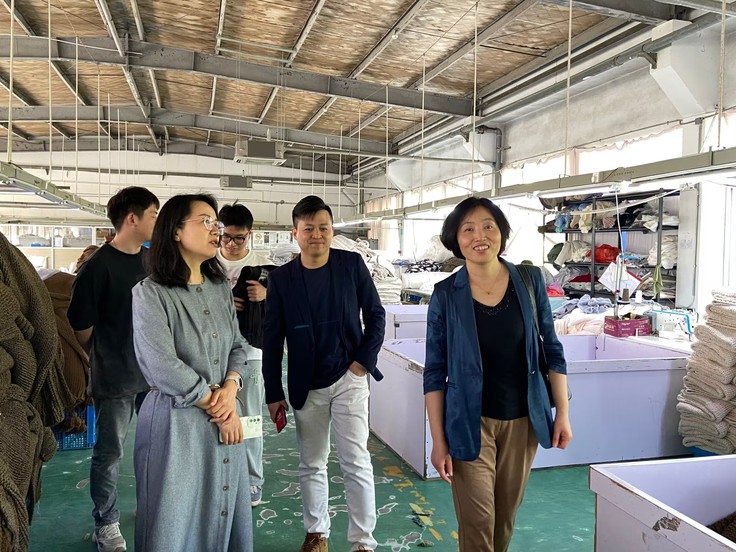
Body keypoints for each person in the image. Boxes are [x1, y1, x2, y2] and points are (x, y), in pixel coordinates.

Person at [423, 197, 573, 552]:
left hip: (523, 420)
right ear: (456, 239)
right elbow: (435, 372)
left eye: (488, 226)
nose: (480, 236)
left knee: (503, 520)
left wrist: (563, 413)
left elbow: (551, 348)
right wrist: (438, 441)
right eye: (468, 229)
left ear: (502, 233)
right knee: (478, 522)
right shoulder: (445, 295)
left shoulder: (529, 280)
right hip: (469, 422)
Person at [262, 195, 385, 552]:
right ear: (295, 233)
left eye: (323, 228)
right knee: (312, 462)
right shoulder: (282, 280)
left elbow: (375, 314)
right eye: (308, 229)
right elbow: (273, 338)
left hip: (349, 378)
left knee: (356, 460)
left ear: (332, 231)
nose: (316, 235)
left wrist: (362, 362)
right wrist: (273, 392)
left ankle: (363, 542)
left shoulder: (351, 265)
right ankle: (317, 534)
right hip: (307, 383)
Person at [131, 194, 253, 552]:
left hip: (226, 416)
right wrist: (222, 410)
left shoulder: (219, 288)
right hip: (177, 423)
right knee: (175, 519)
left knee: (224, 509)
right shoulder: (150, 294)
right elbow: (161, 364)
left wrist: (231, 388)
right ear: (175, 231)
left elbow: (238, 346)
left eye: (217, 222)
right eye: (206, 221)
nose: (216, 230)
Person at [67, 186, 159, 552]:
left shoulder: (150, 261)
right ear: (132, 218)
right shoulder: (98, 266)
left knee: (153, 447)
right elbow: (81, 325)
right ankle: (105, 522)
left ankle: (149, 506)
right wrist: (105, 352)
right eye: (153, 215)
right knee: (110, 453)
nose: (157, 221)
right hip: (115, 376)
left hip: (151, 376)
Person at [216, 202, 274, 507]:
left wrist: (268, 294)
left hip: (251, 353)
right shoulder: (206, 262)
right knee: (214, 417)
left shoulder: (264, 266)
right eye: (226, 236)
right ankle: (218, 478)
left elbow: (289, 306)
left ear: (250, 234)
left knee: (249, 417)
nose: (231, 244)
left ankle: (252, 480)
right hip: (212, 353)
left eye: (238, 238)